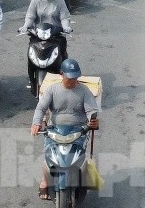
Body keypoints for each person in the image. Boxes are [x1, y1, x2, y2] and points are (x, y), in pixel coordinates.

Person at [30, 58, 100, 201]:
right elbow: (41, 108)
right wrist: (36, 122)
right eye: (70, 77)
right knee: (48, 156)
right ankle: (44, 181)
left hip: (78, 130)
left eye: (75, 77)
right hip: (55, 130)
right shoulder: (52, 90)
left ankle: (81, 176)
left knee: (79, 155)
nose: (73, 80)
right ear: (62, 74)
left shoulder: (84, 91)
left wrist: (92, 121)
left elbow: (91, 110)